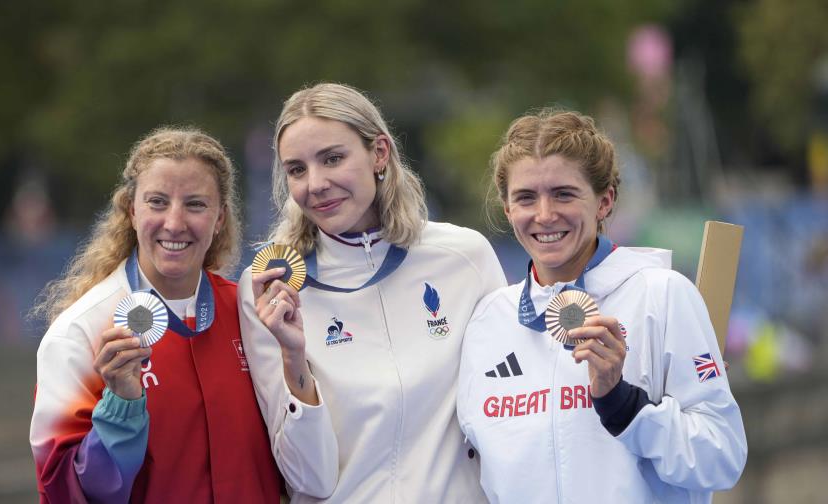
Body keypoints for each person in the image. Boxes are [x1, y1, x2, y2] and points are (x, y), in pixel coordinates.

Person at [457, 110, 748, 503]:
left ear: (604, 201)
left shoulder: (662, 295)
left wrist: (623, 404)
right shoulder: (488, 320)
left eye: (563, 193)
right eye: (526, 197)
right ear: (508, 210)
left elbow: (721, 459)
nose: (544, 215)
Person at [238, 83, 506, 503]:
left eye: (332, 159)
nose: (316, 184)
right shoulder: (272, 287)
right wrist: (294, 360)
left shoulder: (464, 258)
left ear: (379, 153)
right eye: (297, 169)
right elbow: (310, 478)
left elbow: (506, 414)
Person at [29, 127, 280, 503]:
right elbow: (63, 492)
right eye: (157, 202)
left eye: (195, 204)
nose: (175, 223)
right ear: (132, 210)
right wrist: (121, 407)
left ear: (220, 217)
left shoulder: (251, 314)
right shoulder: (82, 332)